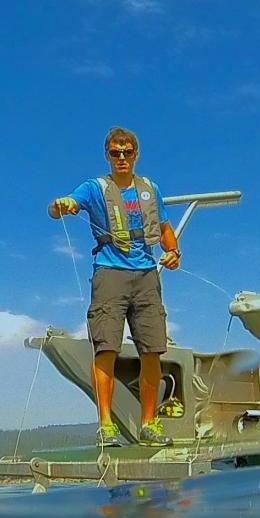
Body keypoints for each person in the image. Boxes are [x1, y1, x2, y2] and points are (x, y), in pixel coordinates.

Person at [48, 127, 179, 446]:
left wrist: (172, 250)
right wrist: (60, 205)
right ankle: (106, 426)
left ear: (136, 154)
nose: (122, 157)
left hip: (147, 275)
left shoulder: (150, 188)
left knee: (153, 349)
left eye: (127, 152)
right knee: (106, 347)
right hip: (109, 271)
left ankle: (150, 424)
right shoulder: (94, 188)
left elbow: (163, 226)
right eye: (115, 152)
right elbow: (58, 210)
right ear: (107, 155)